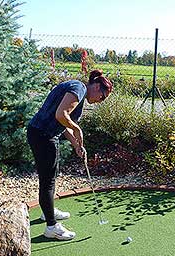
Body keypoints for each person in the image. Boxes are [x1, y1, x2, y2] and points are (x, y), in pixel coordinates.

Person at [27, 69, 113, 240]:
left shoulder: (77, 89)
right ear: (96, 86)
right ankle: (51, 227)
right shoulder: (79, 89)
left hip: (42, 133)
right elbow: (61, 115)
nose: (99, 102)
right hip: (43, 136)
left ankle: (47, 211)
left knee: (51, 176)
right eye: (102, 97)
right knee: (48, 181)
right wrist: (78, 129)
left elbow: (62, 121)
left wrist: (76, 144)